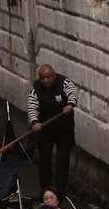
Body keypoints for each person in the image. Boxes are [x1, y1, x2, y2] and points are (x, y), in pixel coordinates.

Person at [28, 63, 78, 198]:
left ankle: (59, 193)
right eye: (43, 78)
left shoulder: (64, 82)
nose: (45, 80)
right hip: (45, 131)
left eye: (48, 77)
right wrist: (35, 122)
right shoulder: (36, 88)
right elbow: (32, 107)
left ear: (54, 75)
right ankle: (45, 191)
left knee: (62, 162)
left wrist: (70, 105)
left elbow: (73, 93)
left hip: (64, 131)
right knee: (44, 160)